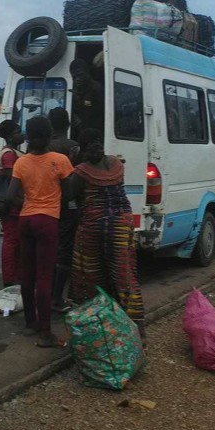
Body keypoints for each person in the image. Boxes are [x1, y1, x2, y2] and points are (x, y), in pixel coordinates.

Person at [68, 128, 146, 342]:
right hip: (122, 223)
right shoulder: (116, 165)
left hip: (94, 226)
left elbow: (67, 196)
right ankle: (137, 334)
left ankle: (98, 331)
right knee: (124, 275)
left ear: (80, 148)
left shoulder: (81, 172)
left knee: (90, 275)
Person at [4, 116, 74, 348]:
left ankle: (31, 322)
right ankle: (46, 333)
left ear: (28, 136)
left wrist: (27, 201)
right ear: (50, 133)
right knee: (45, 276)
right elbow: (70, 192)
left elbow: (10, 196)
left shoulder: (21, 162)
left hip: (26, 219)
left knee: (28, 273)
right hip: (47, 220)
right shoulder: (60, 160)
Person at [47, 107, 80, 311]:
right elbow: (73, 179)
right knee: (64, 251)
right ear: (68, 124)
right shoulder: (72, 147)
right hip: (66, 205)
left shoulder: (42, 147)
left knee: (47, 251)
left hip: (45, 204)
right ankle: (57, 298)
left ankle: (45, 294)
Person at [0, 120, 25, 287]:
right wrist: (21, 200)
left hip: (13, 203)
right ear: (11, 135)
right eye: (19, 131)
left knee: (15, 240)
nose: (22, 134)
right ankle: (10, 277)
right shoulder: (9, 154)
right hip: (12, 204)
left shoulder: (10, 151)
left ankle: (16, 274)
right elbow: (12, 180)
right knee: (11, 240)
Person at [70, 58, 104, 136]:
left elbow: (102, 115)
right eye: (74, 77)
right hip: (81, 133)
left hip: (95, 134)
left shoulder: (97, 89)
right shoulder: (75, 90)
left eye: (80, 75)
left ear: (87, 72)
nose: (77, 79)